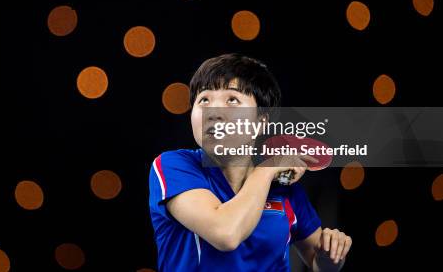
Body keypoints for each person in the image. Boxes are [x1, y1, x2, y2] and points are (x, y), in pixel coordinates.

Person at [149, 53, 352, 271]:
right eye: (204, 99)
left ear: (260, 122)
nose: (213, 111)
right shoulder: (173, 166)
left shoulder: (286, 190)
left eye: (232, 99)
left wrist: (332, 254)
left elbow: (317, 264)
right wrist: (266, 170)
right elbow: (226, 233)